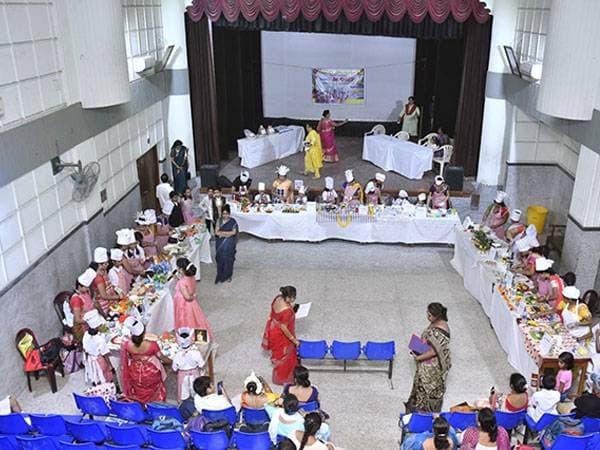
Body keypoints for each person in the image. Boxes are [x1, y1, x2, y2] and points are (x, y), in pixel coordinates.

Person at [406, 303, 451, 413]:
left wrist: (418, 358)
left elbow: (433, 351)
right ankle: (417, 409)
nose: (427, 316)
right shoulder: (435, 324)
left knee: (429, 390)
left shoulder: (440, 331)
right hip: (426, 360)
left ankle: (426, 413)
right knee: (420, 387)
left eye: (430, 315)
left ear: (437, 316)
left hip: (432, 368)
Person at [120, 318, 167, 404]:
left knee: (138, 389)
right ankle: (153, 405)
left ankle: (141, 404)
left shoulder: (127, 345)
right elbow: (161, 357)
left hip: (135, 371)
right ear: (144, 332)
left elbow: (127, 358)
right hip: (151, 371)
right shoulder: (152, 345)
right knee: (153, 389)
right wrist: (171, 361)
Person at [262, 286, 299, 385]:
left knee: (278, 354)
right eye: (293, 297)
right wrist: (293, 340)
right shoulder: (287, 311)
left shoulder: (277, 298)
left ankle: (278, 374)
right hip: (282, 336)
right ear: (289, 297)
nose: (293, 300)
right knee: (286, 356)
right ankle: (284, 377)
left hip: (273, 330)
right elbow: (284, 327)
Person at [174, 258, 213, 337]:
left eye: (177, 267)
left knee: (185, 321)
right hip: (192, 304)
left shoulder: (182, 282)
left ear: (181, 269)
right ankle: (199, 337)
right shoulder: (191, 277)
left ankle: (187, 337)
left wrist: (192, 297)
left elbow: (187, 297)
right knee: (196, 320)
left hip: (183, 305)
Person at [172, 327, 205, 402]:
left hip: (183, 376)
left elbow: (174, 368)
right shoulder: (196, 353)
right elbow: (201, 365)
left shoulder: (177, 355)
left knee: (183, 393)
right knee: (196, 392)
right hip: (194, 374)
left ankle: (184, 405)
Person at [81, 310, 113, 386]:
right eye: (101, 325)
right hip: (99, 360)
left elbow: (85, 349)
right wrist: (110, 365)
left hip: (90, 360)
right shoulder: (100, 340)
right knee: (104, 375)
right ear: (97, 327)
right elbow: (105, 354)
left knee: (95, 374)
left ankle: (98, 385)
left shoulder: (86, 335)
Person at [68, 268, 97, 341]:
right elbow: (78, 319)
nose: (87, 289)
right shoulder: (76, 299)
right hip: (83, 327)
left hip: (92, 321)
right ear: (79, 287)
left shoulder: (85, 292)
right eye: (86, 287)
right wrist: (92, 321)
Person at [90, 247, 121, 314]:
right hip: (105, 305)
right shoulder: (98, 278)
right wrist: (118, 297)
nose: (108, 265)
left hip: (112, 300)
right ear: (100, 264)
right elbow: (104, 296)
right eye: (106, 263)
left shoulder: (104, 271)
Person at [215, 204, 239, 284]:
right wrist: (228, 234)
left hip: (230, 243)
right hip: (220, 244)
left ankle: (228, 275)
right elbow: (216, 232)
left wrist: (222, 233)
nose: (225, 216)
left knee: (229, 259)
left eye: (227, 214)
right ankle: (220, 275)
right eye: (224, 214)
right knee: (220, 259)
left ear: (229, 213)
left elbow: (234, 232)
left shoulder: (233, 221)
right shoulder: (219, 220)